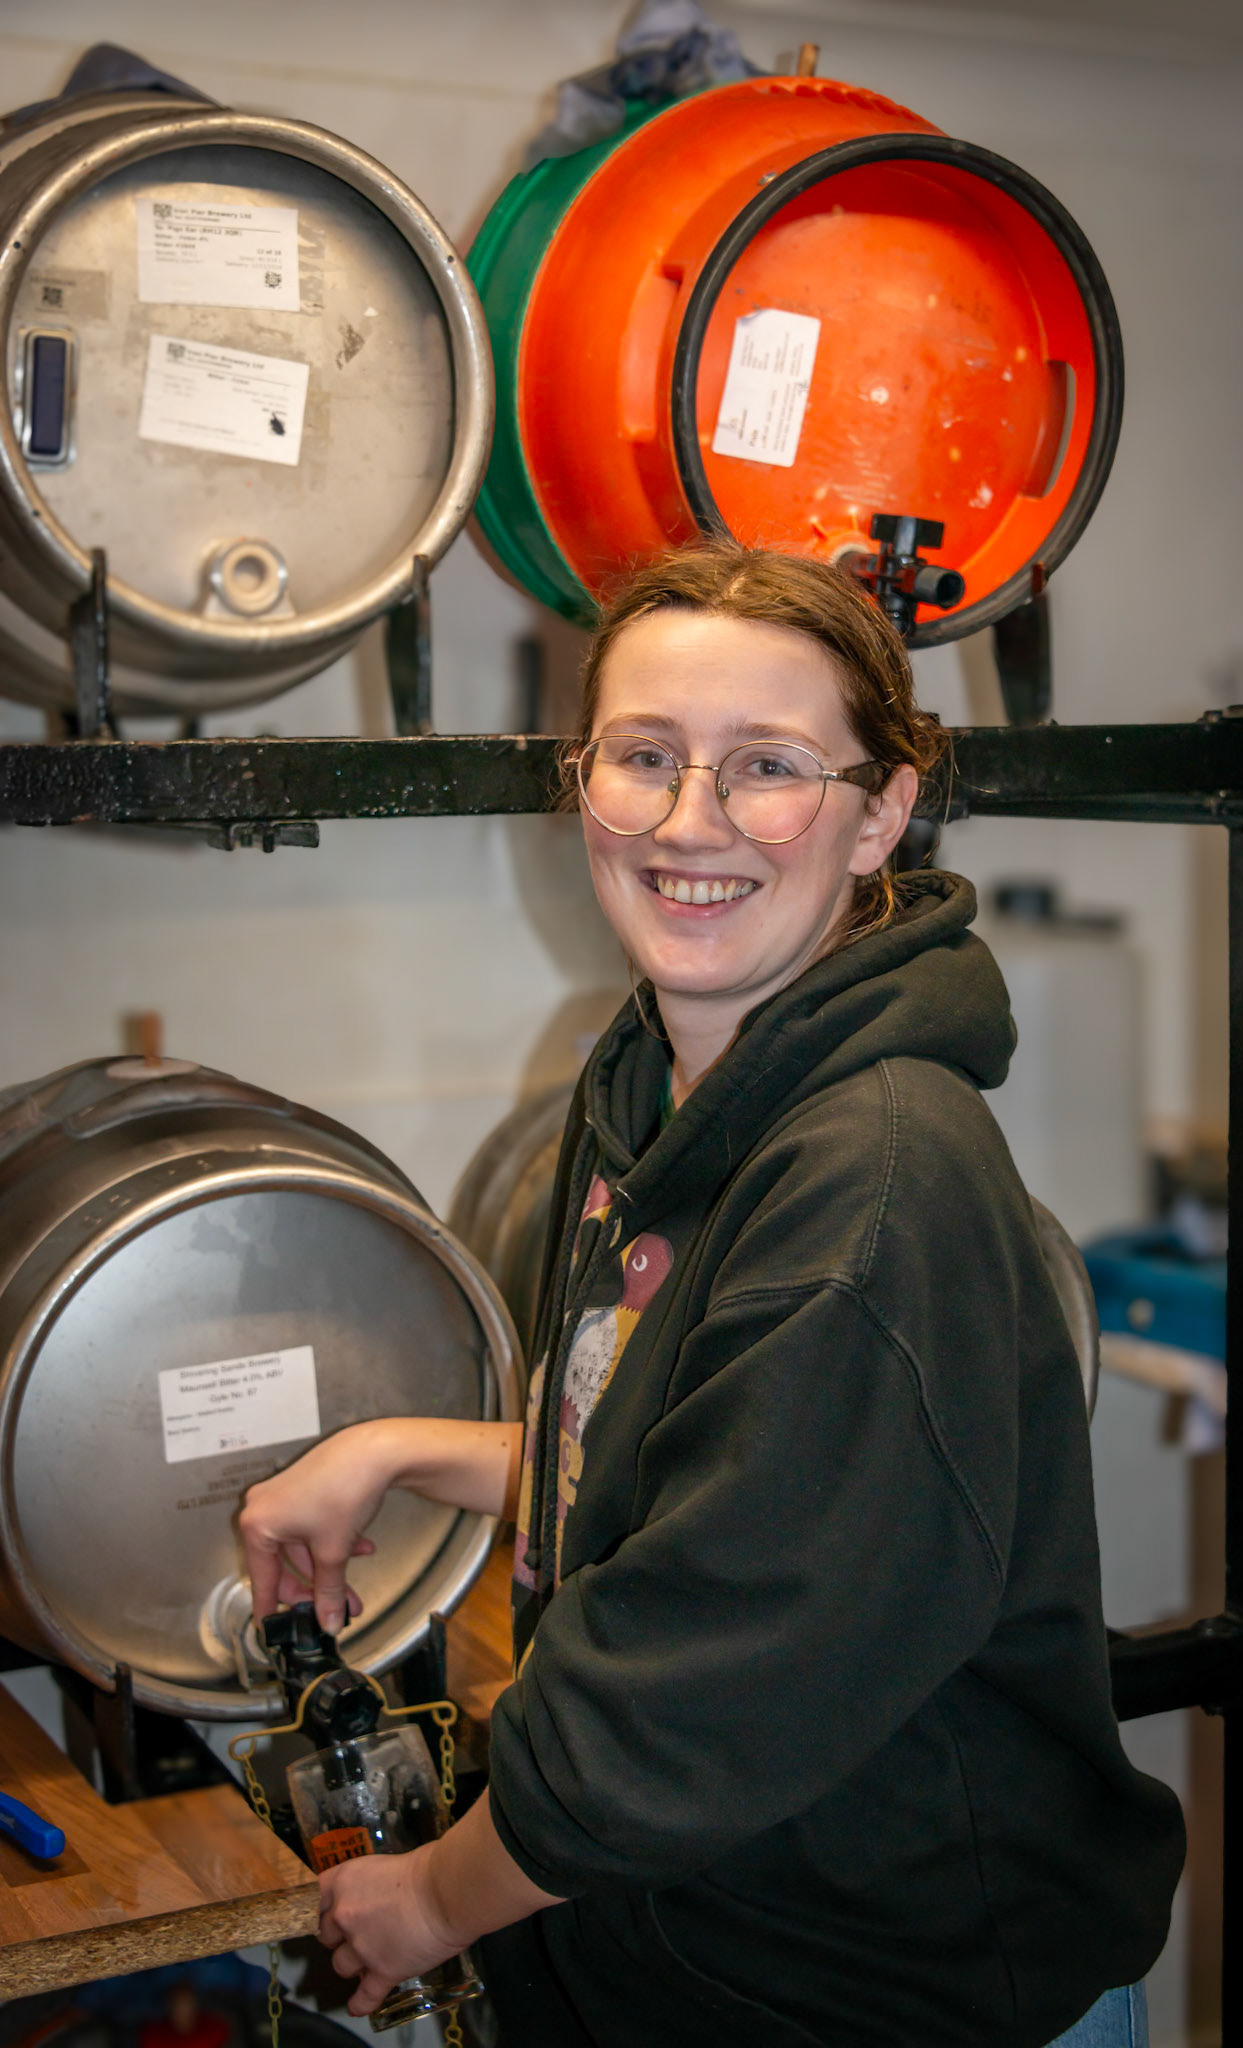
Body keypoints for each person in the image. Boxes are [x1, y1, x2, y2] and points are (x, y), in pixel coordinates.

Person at [240, 544, 1184, 2048]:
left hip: (881, 1998)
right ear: (582, 783)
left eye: (769, 767)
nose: (692, 821)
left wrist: (432, 1899)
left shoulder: (874, 1181)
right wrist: (398, 1451)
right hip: (702, 1953)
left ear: (880, 812)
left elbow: (699, 1678)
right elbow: (693, 1464)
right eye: (645, 756)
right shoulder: (658, 1091)